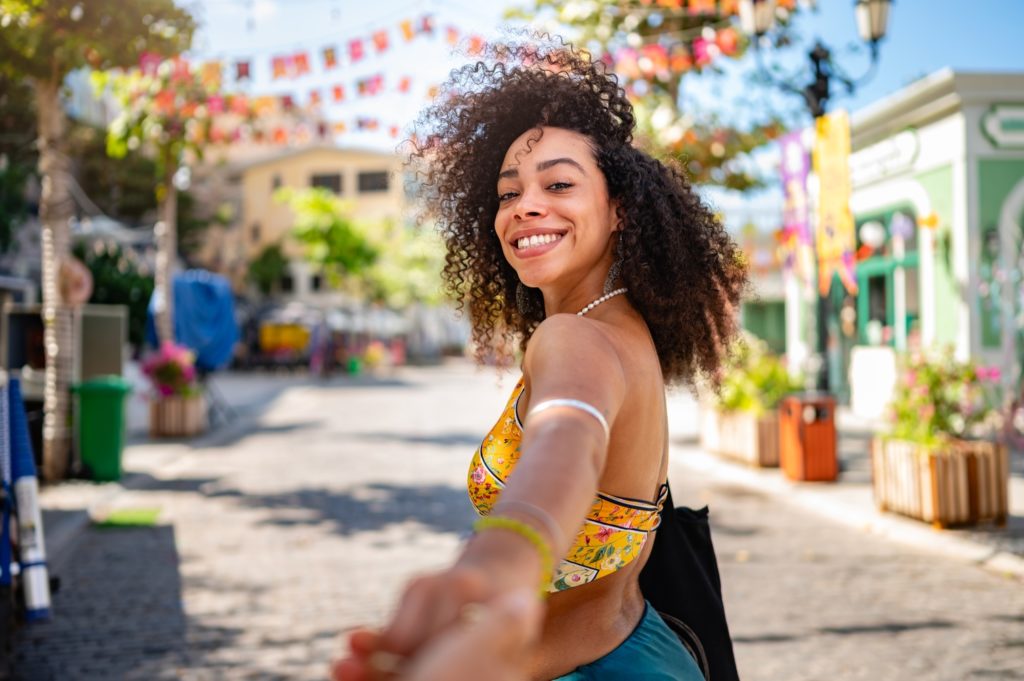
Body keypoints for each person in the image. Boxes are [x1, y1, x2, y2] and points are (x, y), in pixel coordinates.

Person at [335, 37, 746, 681]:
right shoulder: (620, 328)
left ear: (619, 210)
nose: (525, 205)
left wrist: (500, 564)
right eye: (507, 193)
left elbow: (566, 440)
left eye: (558, 183)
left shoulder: (573, 339)